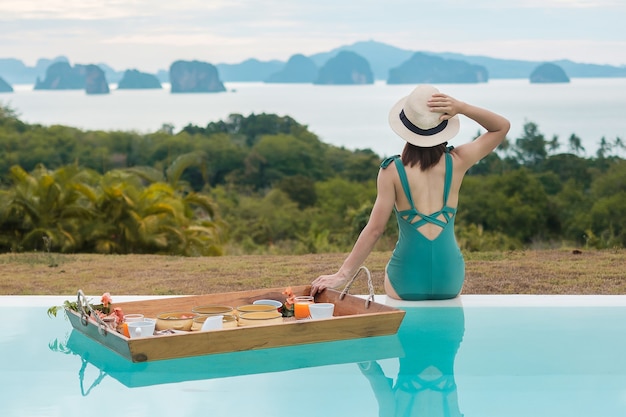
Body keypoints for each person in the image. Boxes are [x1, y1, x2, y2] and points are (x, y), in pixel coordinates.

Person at [310, 84, 510, 300]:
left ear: (406, 128)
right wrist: (461, 107)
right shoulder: (459, 161)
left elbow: (374, 230)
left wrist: (342, 274)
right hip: (449, 278)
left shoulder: (391, 171)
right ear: (443, 125)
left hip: (405, 279)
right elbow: (501, 127)